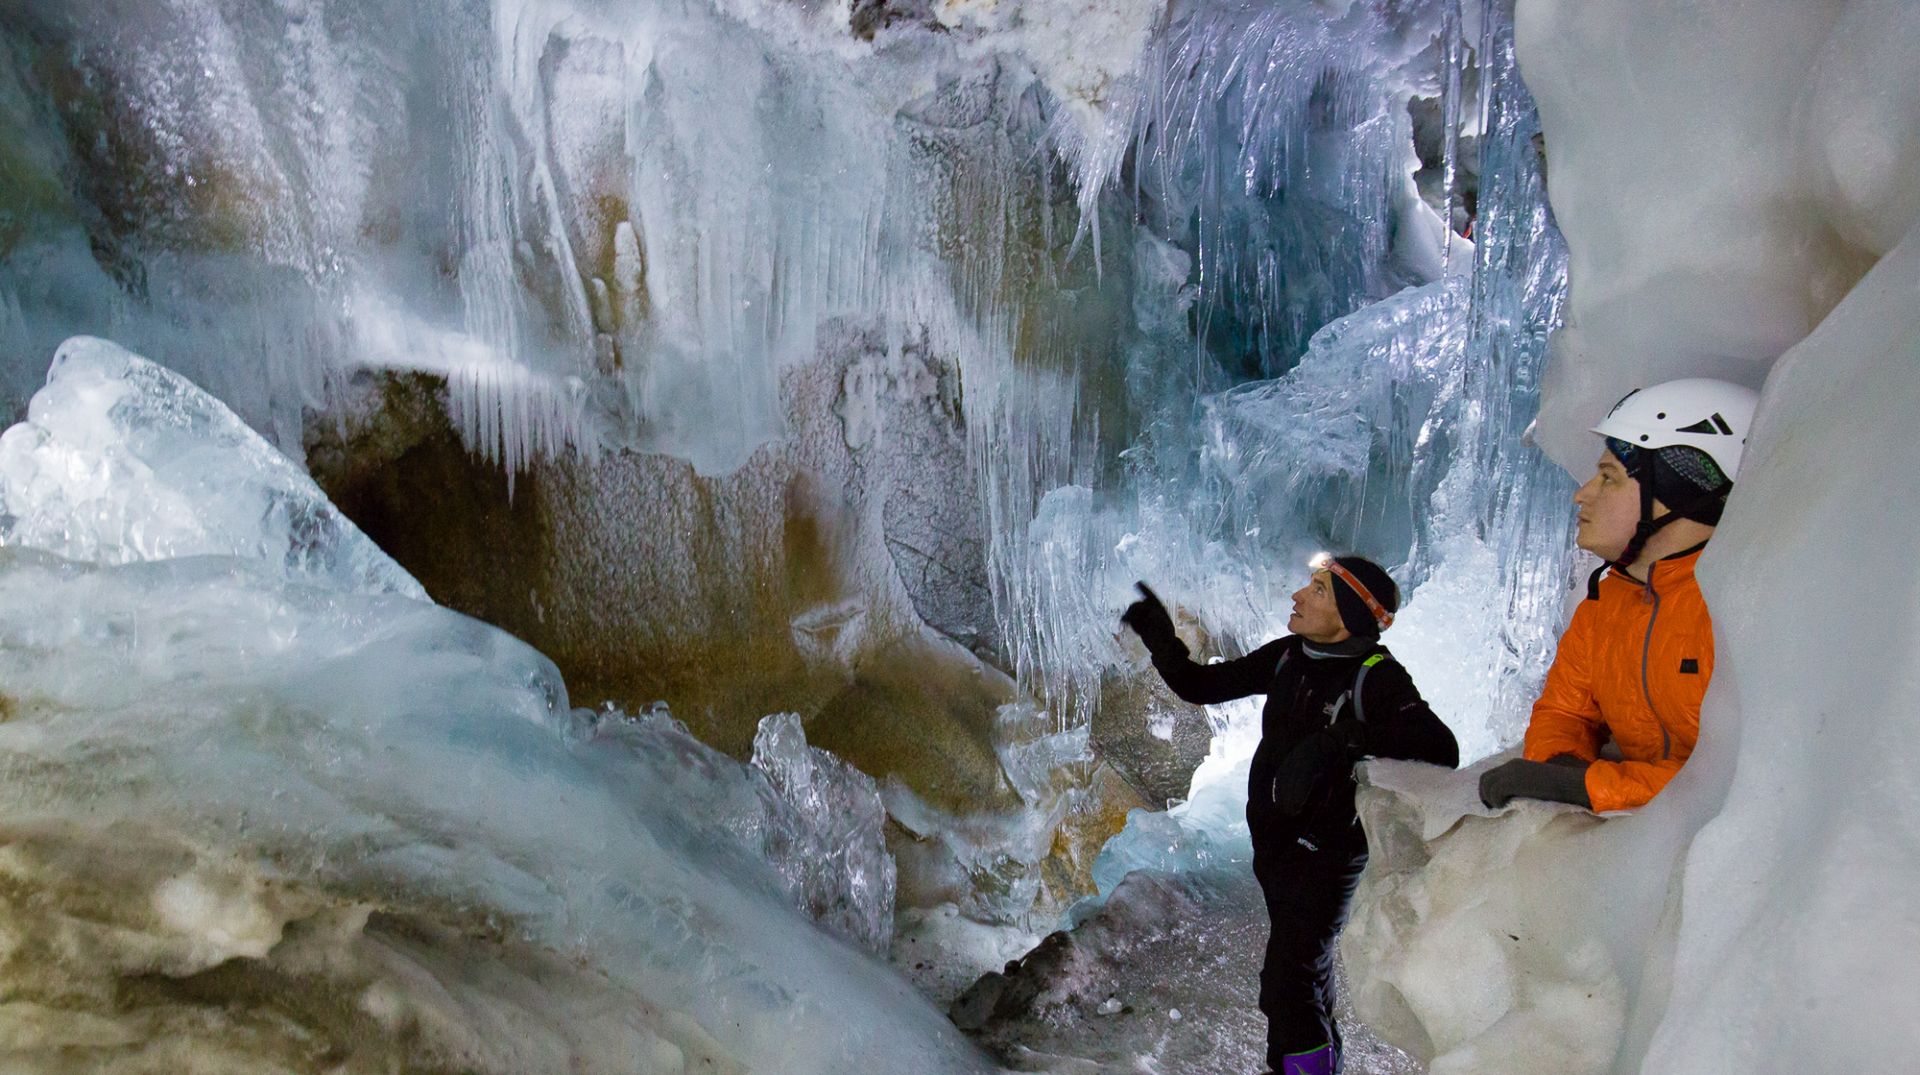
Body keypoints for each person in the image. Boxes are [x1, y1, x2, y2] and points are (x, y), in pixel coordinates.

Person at [1121, 555, 1458, 1075]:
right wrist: (1162, 640)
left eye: (1319, 589)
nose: (1299, 595)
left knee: (1287, 983)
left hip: (1326, 856)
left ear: (1348, 614)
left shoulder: (1376, 676)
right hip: (1276, 847)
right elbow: (1201, 686)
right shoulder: (1290, 656)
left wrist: (1340, 740)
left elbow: (1440, 746)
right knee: (1308, 973)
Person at [1479, 377, 1759, 812]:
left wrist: (1592, 785)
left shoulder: (1745, 607)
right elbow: (1566, 713)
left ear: (1676, 492)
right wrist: (1561, 763)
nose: (1581, 494)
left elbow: (1747, 782)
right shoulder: (1607, 604)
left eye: (1608, 477)